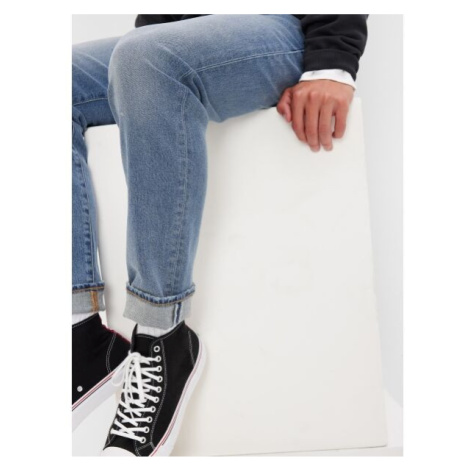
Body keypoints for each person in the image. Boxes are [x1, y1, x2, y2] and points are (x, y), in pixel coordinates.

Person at [72, 14, 369, 456]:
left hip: (282, 26)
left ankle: (161, 337)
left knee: (146, 58)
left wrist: (333, 59)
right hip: (182, 31)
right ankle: (81, 337)